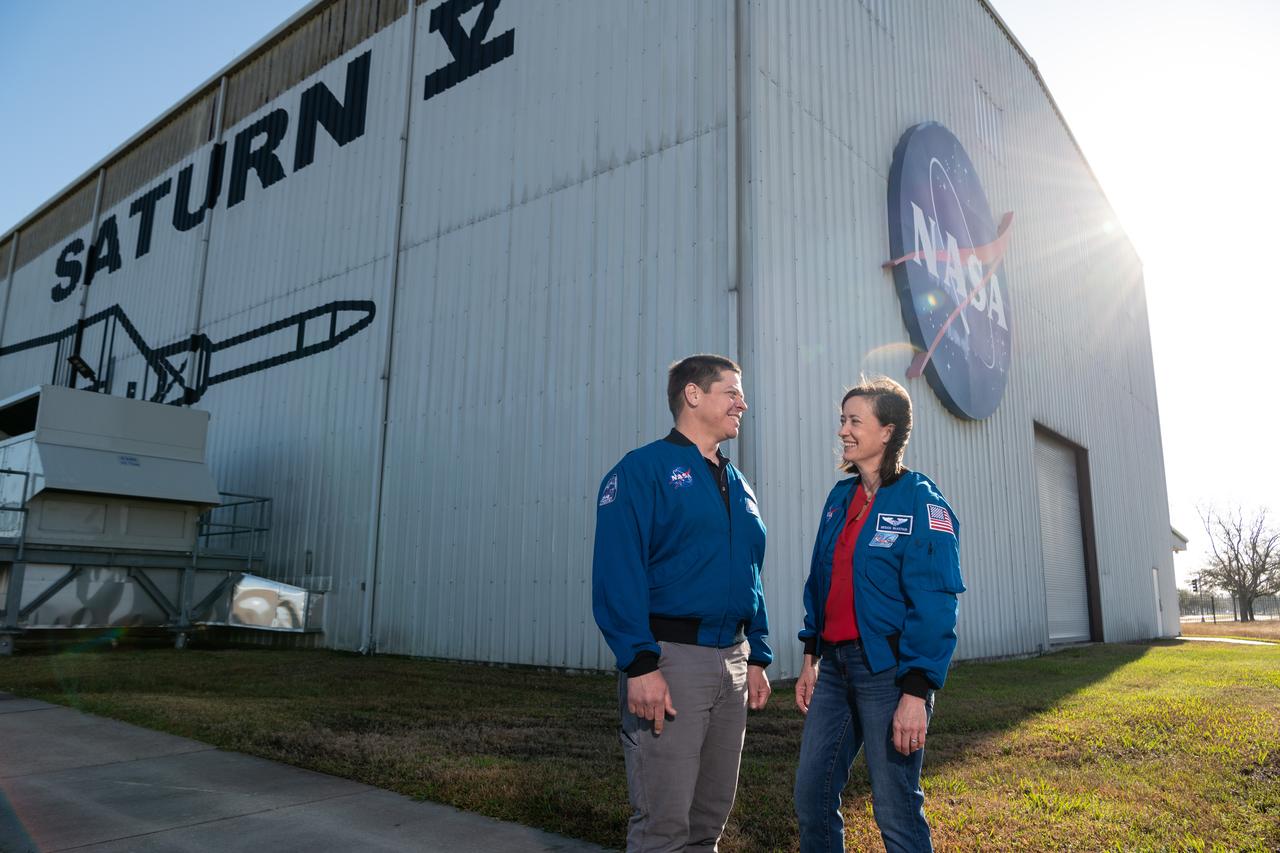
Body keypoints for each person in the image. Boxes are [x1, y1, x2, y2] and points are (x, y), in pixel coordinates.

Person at [593, 353, 773, 853]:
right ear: (693, 395)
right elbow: (617, 575)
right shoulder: (640, 471)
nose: (744, 402)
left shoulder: (739, 485)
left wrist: (756, 654)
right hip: (671, 662)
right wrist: (641, 663)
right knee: (663, 827)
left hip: (732, 664)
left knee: (708, 822)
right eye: (732, 392)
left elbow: (750, 575)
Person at [793, 377, 964, 853]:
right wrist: (812, 655)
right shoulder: (839, 499)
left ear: (886, 432)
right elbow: (820, 582)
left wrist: (916, 692)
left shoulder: (920, 500)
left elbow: (936, 600)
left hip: (889, 674)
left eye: (854, 421)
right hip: (835, 671)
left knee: (895, 808)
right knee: (812, 794)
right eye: (842, 420)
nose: (843, 431)